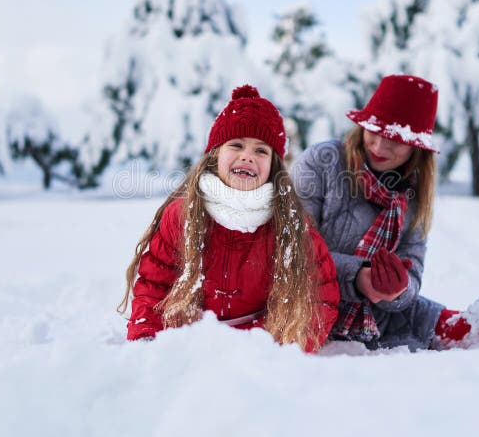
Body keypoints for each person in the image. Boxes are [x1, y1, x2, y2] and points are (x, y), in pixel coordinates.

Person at [291, 74, 479, 351]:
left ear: (415, 146)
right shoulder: (323, 162)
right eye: (374, 131)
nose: (379, 146)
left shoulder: (413, 194)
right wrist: (359, 276)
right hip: (304, 306)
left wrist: (395, 290)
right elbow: (289, 251)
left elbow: (412, 281)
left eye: (395, 139)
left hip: (379, 318)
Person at [118, 85, 340, 353]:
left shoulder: (291, 226)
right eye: (236, 145)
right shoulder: (181, 215)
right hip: (186, 347)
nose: (247, 155)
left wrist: (270, 351)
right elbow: (154, 288)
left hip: (260, 353)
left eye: (261, 150)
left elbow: (320, 300)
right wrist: (147, 341)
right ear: (215, 155)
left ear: (273, 166)